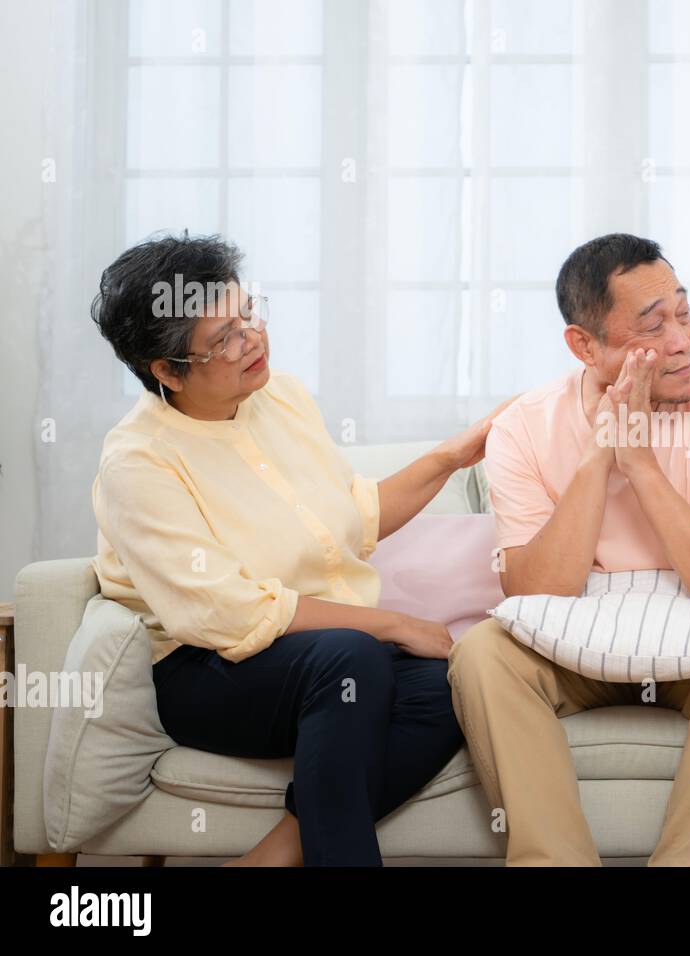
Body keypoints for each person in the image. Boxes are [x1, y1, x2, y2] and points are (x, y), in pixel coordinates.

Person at [91, 233, 503, 866]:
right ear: (167, 371)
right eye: (223, 338)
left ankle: (277, 853)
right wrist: (392, 622)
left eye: (247, 314)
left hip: (327, 654)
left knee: (452, 681)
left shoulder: (278, 395)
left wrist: (451, 456)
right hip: (206, 673)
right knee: (352, 657)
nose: (251, 339)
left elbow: (351, 518)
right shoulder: (138, 461)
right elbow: (225, 614)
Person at [447, 233, 690, 866]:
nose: (682, 342)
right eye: (653, 326)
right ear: (586, 346)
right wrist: (600, 456)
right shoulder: (523, 428)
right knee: (482, 653)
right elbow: (532, 592)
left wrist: (641, 466)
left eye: (685, 314)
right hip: (568, 640)